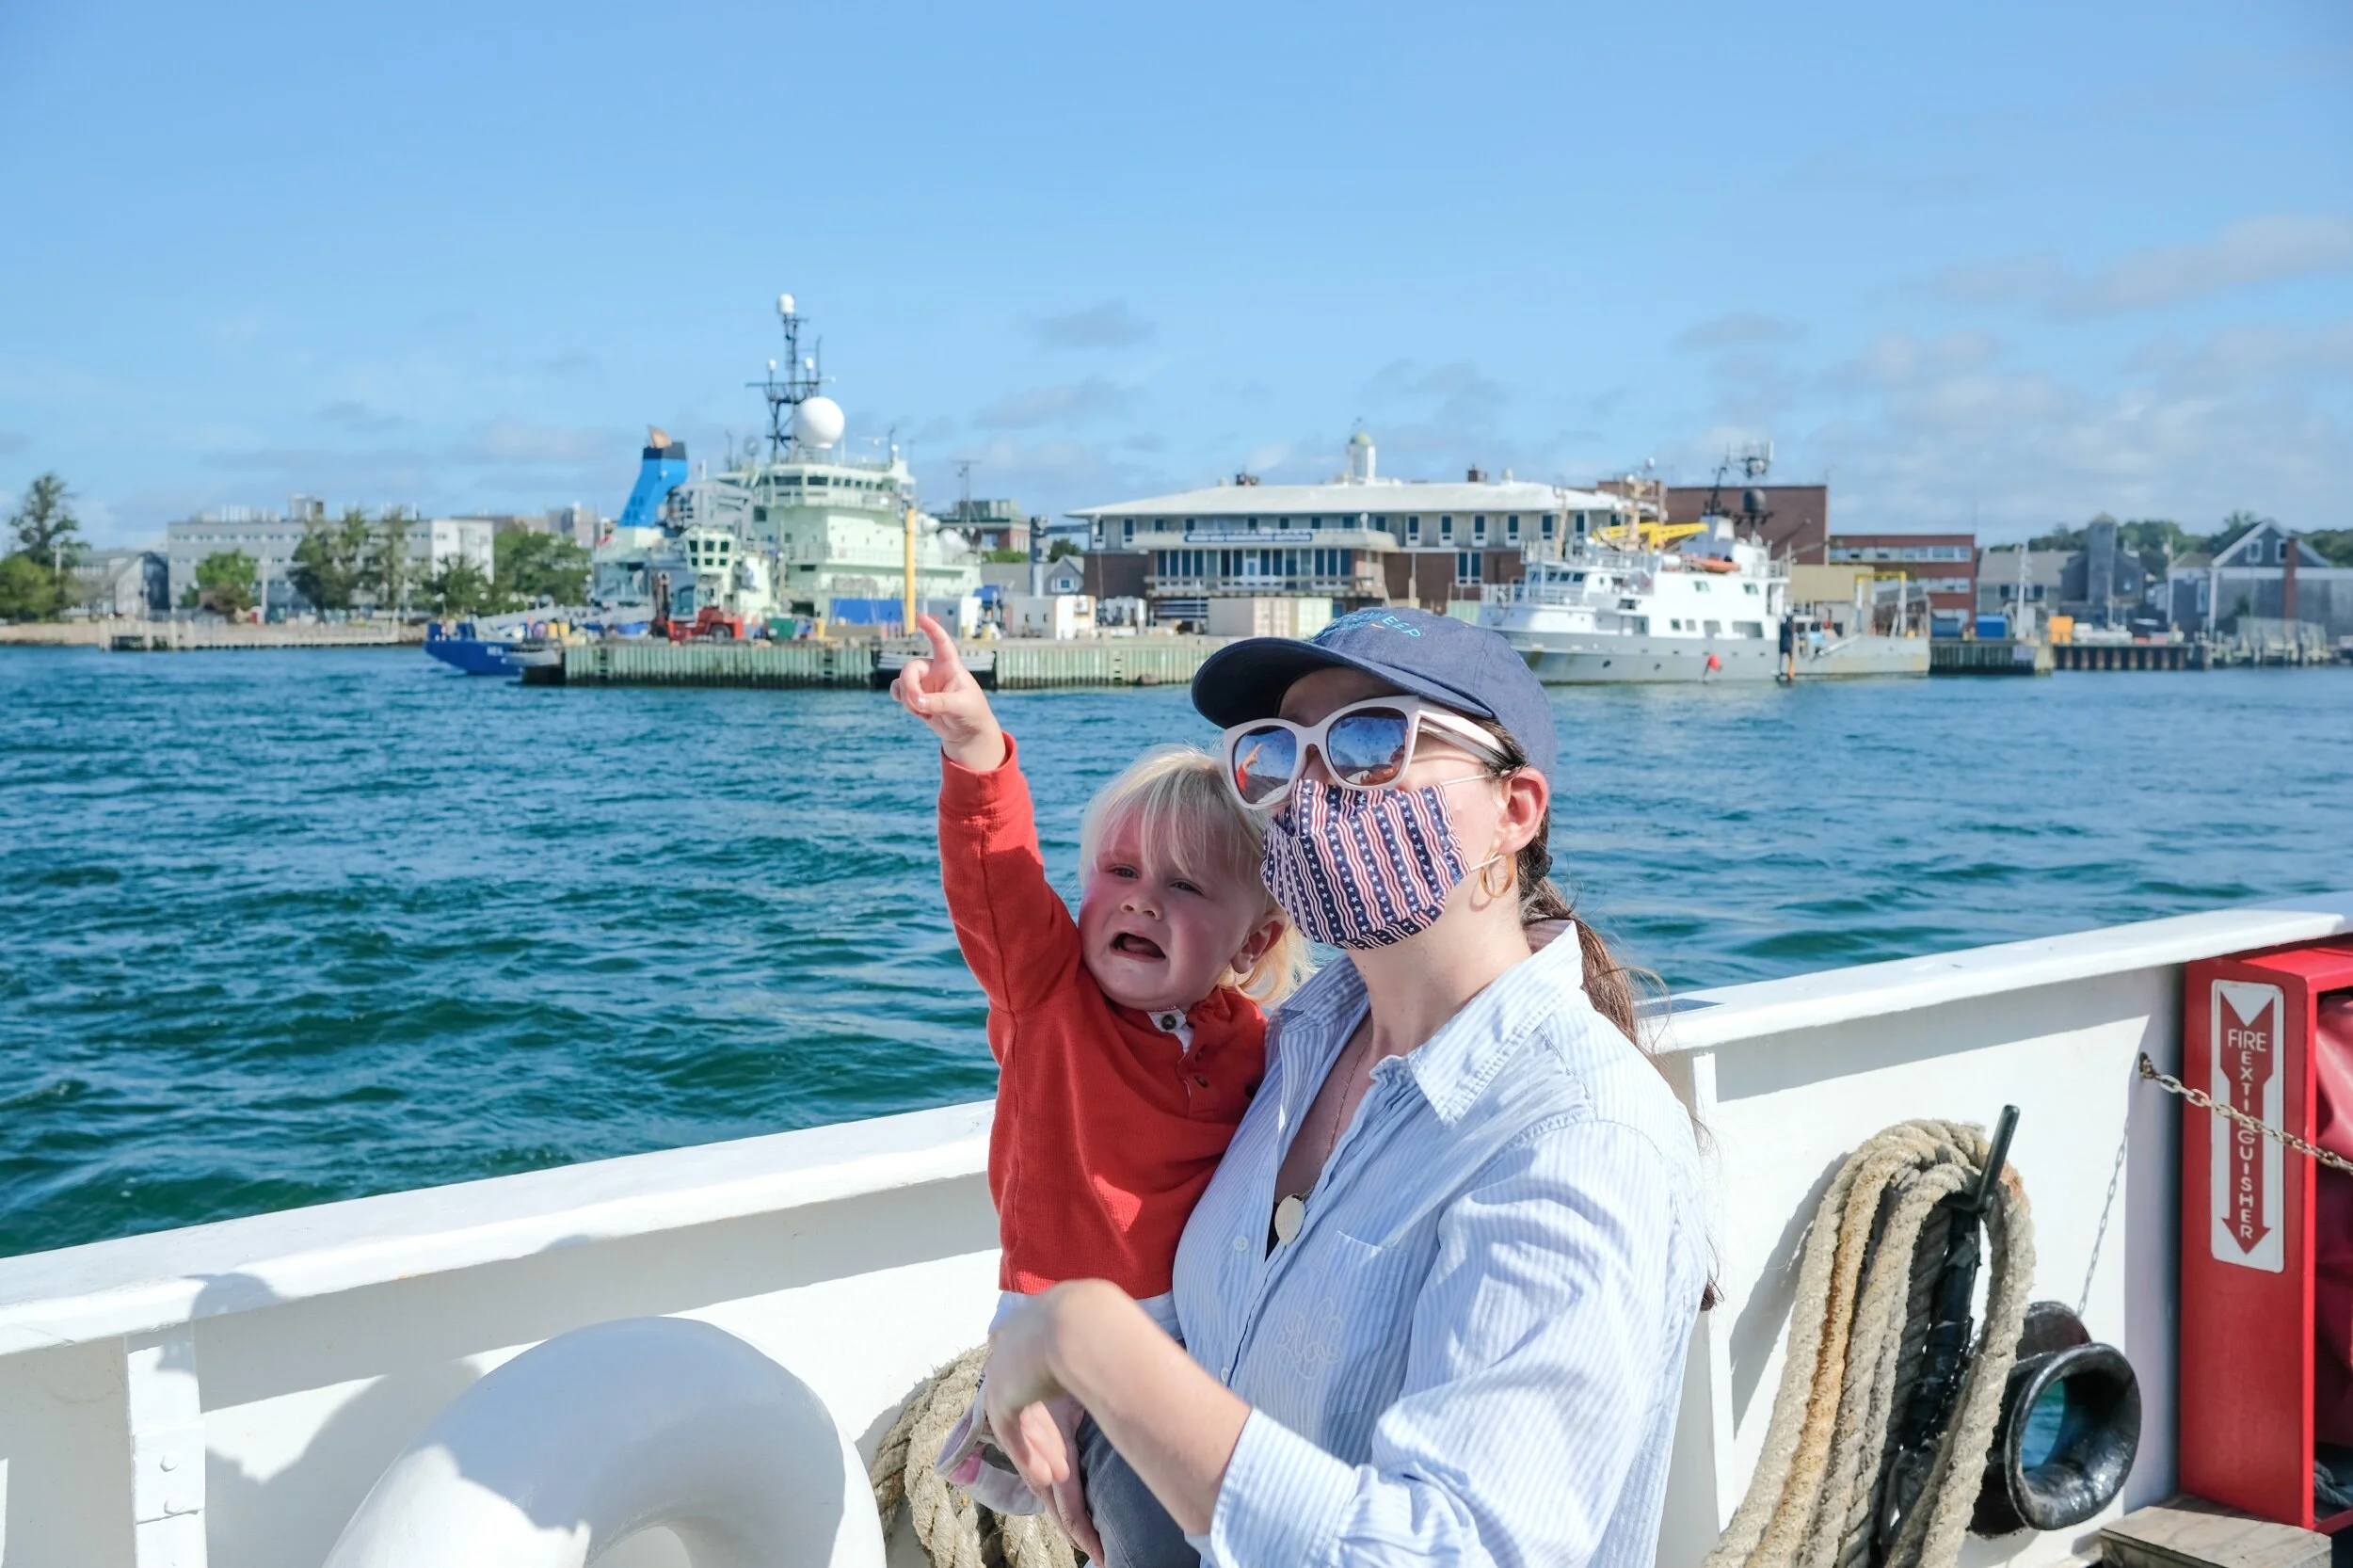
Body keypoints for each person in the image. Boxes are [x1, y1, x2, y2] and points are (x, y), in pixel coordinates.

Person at [978, 606, 1708, 1568]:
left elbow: (1452, 1550)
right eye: (1274, 753)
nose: (1308, 789)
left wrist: (1085, 1337)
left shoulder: (1577, 1133)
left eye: (1371, 741)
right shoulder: (1286, 1053)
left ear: (1514, 809)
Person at [889, 613, 1305, 1513]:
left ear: (1253, 940)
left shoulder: (1256, 1042)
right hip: (1056, 1346)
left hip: (1199, 1340)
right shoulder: (1047, 992)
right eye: (1119, 873)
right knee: (1106, 1521)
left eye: (1185, 886)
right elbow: (994, 876)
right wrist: (975, 746)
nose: (1143, 903)